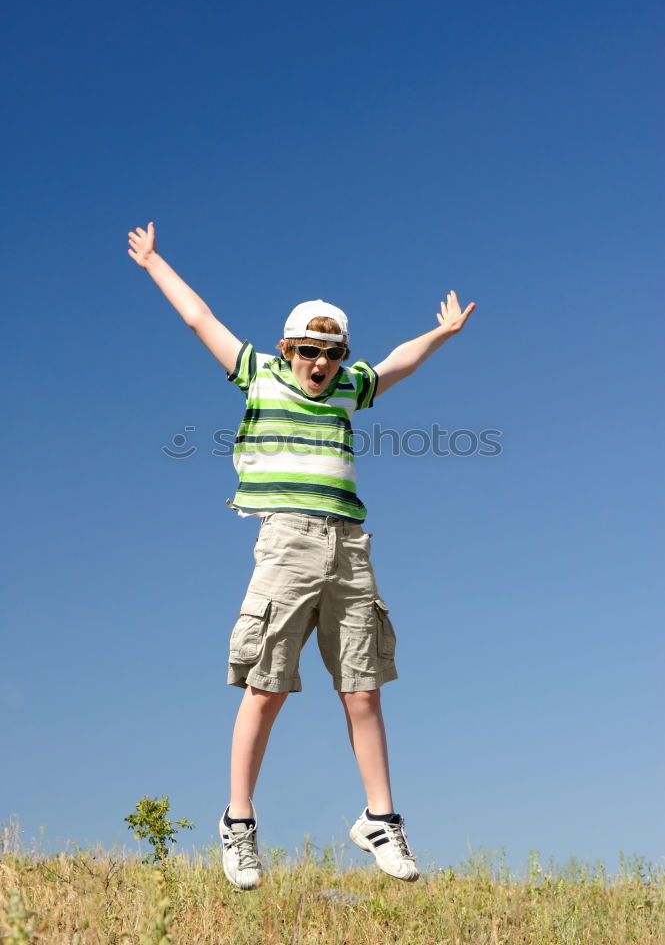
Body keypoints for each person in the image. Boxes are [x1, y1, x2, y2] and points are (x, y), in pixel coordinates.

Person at [128, 221, 475, 889]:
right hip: (285, 542)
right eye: (309, 351)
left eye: (331, 353)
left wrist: (441, 334)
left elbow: (397, 362)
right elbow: (201, 319)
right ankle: (238, 824)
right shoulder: (257, 374)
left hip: (349, 546)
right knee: (265, 689)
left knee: (363, 689)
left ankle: (380, 819)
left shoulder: (351, 388)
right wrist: (153, 263)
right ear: (288, 350)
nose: (320, 364)